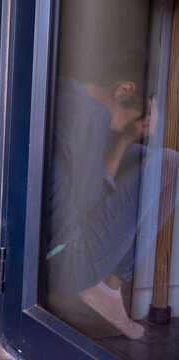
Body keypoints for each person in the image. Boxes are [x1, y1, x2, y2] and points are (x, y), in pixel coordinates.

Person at [45, 52, 178, 340]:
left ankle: (105, 289)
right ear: (124, 90)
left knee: (140, 157)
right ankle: (108, 287)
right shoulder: (92, 112)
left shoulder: (61, 91)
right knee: (169, 162)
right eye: (144, 113)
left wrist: (125, 142)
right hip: (63, 263)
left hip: (39, 254)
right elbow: (88, 203)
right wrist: (125, 138)